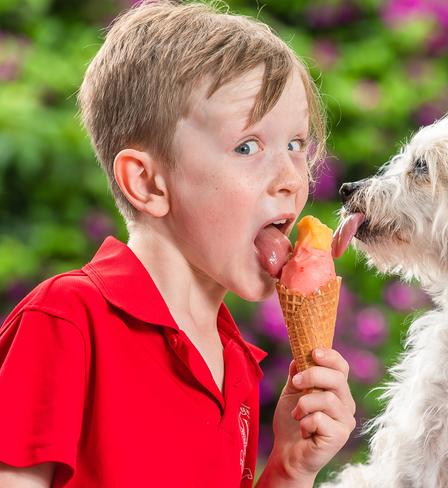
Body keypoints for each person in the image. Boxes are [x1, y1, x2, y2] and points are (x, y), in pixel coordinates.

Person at [0, 1, 356, 487]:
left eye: (296, 144)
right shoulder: (68, 320)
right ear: (147, 183)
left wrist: (289, 469)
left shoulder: (237, 364)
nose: (291, 178)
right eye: (248, 146)